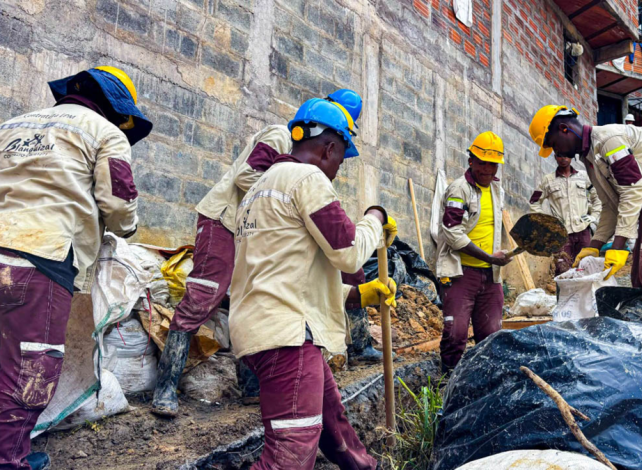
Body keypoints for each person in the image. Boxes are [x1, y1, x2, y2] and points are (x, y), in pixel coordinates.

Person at [151, 89, 364, 417]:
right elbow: (246, 175)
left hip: (252, 227)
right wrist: (286, 184)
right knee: (205, 294)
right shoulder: (281, 137)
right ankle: (165, 385)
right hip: (225, 218)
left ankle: (251, 386)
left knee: (250, 297)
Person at [229, 98, 398, 470]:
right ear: (329, 148)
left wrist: (357, 295)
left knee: (330, 419)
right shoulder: (307, 179)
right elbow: (350, 251)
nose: (338, 168)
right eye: (340, 159)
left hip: (267, 327)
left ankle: (364, 466)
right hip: (286, 335)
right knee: (290, 452)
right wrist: (375, 218)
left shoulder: (258, 190)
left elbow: (286, 272)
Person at [0, 67, 151, 470]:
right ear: (116, 111)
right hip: (39, 258)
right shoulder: (105, 133)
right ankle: (8, 460)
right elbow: (119, 205)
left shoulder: (10, 125)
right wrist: (127, 228)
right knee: (31, 367)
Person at [528, 105, 642, 290]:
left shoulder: (608, 140)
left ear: (564, 129)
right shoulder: (590, 157)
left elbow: (632, 191)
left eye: (552, 143)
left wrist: (617, 247)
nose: (555, 151)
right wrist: (595, 244)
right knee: (640, 275)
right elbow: (610, 205)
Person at [436, 131, 512, 374]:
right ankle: (447, 386)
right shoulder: (459, 190)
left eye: (493, 165)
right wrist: (489, 257)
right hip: (461, 274)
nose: (488, 170)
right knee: (455, 334)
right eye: (482, 163)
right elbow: (452, 232)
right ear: (471, 161)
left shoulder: (497, 190)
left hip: (490, 276)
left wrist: (495, 258)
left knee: (491, 337)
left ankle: (483, 386)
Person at [529, 154, 602, 275]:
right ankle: (563, 294)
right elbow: (534, 202)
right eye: (559, 156)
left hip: (583, 231)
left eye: (567, 155)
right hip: (561, 234)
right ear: (555, 157)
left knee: (587, 268)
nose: (563, 158)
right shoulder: (548, 180)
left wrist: (594, 216)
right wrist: (546, 223)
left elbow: (598, 196)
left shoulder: (583, 176)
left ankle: (586, 294)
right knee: (563, 270)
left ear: (572, 156)